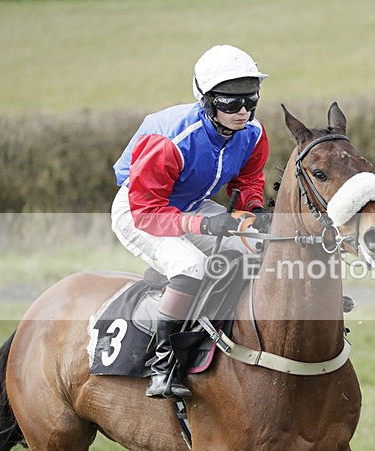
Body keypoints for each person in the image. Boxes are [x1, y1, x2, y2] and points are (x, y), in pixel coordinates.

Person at [111, 44, 270, 399]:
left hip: (192, 206)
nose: (243, 111)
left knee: (259, 248)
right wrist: (203, 226)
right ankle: (163, 363)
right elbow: (147, 211)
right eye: (231, 103)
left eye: (250, 100)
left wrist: (254, 211)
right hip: (139, 210)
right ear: (208, 101)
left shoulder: (253, 134)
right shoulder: (169, 140)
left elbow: (248, 181)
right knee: (192, 265)